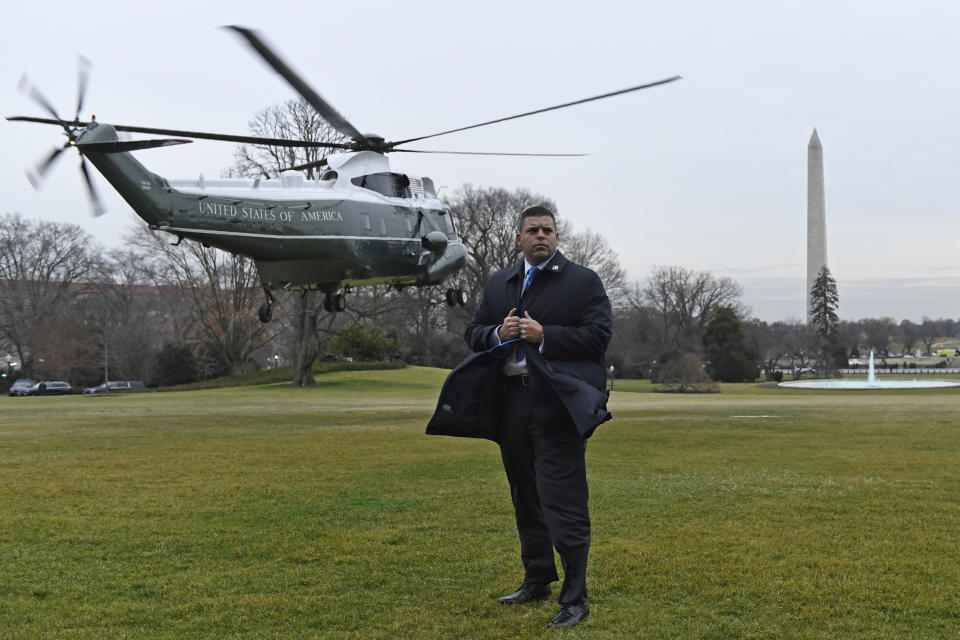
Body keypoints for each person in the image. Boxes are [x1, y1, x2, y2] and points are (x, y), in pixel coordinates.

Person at [427, 204, 613, 628]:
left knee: (562, 500)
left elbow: (599, 335)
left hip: (558, 406)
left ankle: (575, 599)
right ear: (519, 238)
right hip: (511, 402)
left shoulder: (583, 282)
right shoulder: (500, 284)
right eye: (532, 230)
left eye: (548, 230)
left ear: (558, 237)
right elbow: (473, 333)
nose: (541, 236)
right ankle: (538, 578)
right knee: (524, 495)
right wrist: (498, 333)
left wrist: (546, 335)